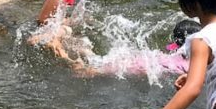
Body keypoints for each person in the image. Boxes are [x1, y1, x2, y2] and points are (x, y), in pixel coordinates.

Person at [57, 18, 201, 78]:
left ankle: (74, 42)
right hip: (140, 66)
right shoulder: (189, 64)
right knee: (89, 71)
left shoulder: (175, 50)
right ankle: (60, 52)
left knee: (98, 61)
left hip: (141, 58)